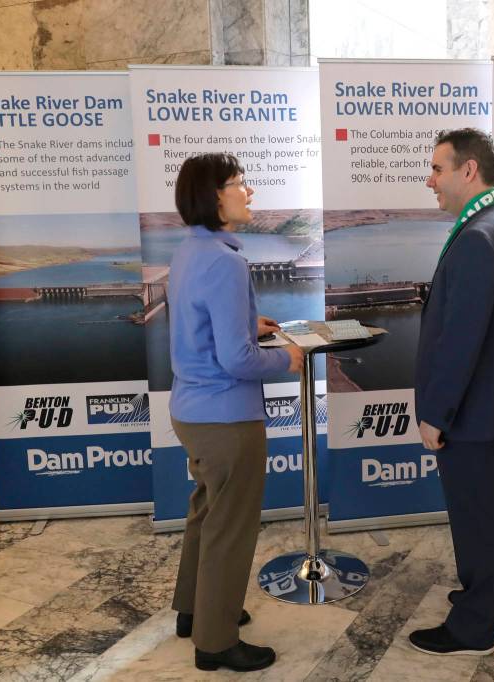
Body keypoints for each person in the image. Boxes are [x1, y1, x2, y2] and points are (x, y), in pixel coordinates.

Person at [407, 128, 494, 656]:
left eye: (438, 169)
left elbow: (458, 339)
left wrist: (436, 413)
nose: (431, 181)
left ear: (469, 171)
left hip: (471, 407)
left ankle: (474, 626)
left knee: (474, 515)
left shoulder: (477, 237)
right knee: (486, 507)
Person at [167, 153, 304, 672]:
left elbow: (204, 328)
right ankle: (216, 642)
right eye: (240, 184)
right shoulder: (225, 262)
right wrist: (286, 357)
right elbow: (236, 360)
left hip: (192, 411)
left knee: (206, 514)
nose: (249, 192)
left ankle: (193, 612)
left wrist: (251, 322)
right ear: (214, 197)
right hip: (226, 418)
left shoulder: (191, 252)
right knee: (230, 528)